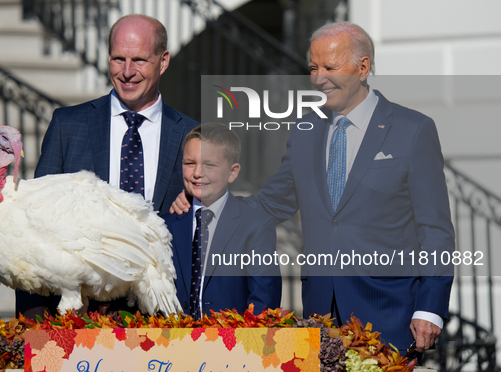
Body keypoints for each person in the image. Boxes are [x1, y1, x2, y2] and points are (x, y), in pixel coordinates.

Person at [171, 22, 454, 353]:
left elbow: (435, 230)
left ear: (363, 68)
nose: (319, 78)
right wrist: (207, 200)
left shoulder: (413, 129)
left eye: (330, 67)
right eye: (313, 67)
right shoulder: (306, 129)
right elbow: (272, 203)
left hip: (389, 312)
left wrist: (430, 308)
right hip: (321, 316)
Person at [16, 14, 199, 318]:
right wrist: (32, 328)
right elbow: (33, 231)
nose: (127, 72)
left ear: (163, 61)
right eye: (118, 59)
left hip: (167, 322)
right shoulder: (67, 126)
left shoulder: (193, 137)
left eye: (139, 60)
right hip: (78, 321)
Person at [163, 124, 281, 318]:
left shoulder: (255, 225)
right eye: (190, 163)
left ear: (232, 172)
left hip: (235, 344)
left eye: (210, 165)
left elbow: (264, 301)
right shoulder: (165, 225)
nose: (198, 173)